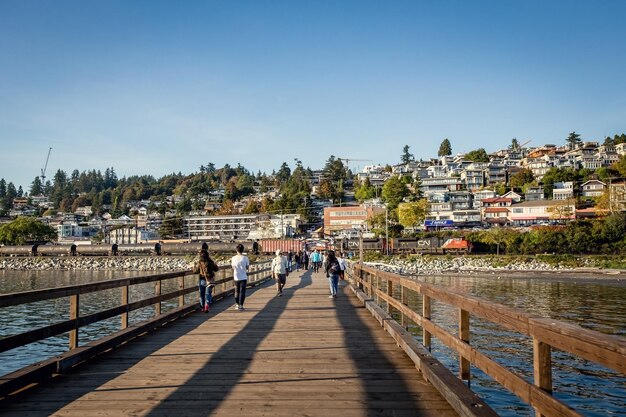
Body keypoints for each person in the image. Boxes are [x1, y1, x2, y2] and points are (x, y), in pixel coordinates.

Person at [230, 243, 250, 310]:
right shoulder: (245, 258)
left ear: (236, 250)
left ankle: (237, 304)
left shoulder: (233, 258)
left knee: (236, 291)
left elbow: (233, 267)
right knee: (242, 291)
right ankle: (241, 305)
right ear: (242, 250)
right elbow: (247, 267)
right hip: (243, 276)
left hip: (236, 276)